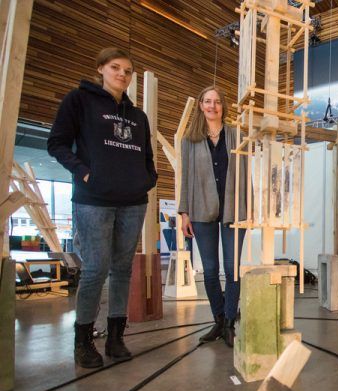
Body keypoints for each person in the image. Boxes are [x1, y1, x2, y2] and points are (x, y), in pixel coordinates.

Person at [48, 47, 158, 368]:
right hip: (93, 200)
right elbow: (56, 142)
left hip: (133, 202)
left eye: (127, 70)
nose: (122, 74)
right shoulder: (78, 100)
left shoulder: (138, 116)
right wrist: (84, 172)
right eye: (115, 68)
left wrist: (146, 180)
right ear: (100, 69)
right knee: (95, 269)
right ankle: (83, 342)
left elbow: (147, 159)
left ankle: (115, 337)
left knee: (123, 269)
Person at [178, 86, 246, 347]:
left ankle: (229, 323)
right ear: (200, 105)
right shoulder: (190, 139)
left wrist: (246, 207)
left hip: (233, 209)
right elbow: (185, 178)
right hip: (200, 208)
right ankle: (218, 320)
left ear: (223, 106)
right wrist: (184, 213)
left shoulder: (236, 135)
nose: (212, 106)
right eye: (207, 101)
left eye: (217, 102)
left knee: (232, 270)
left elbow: (245, 172)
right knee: (209, 270)